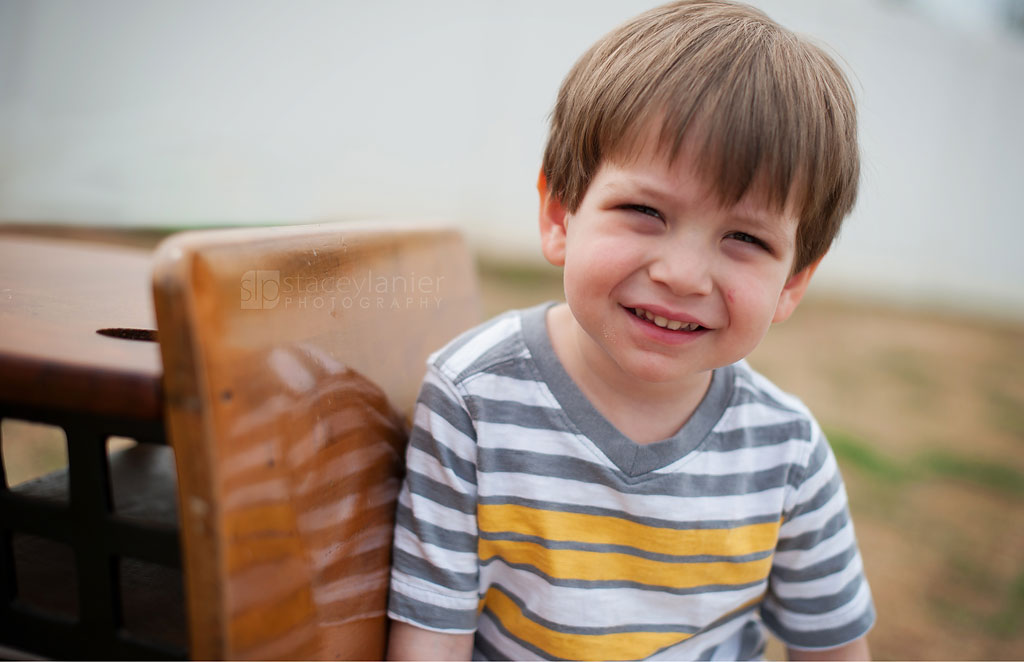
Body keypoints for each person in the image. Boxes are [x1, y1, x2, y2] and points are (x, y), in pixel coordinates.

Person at [386, 1, 875, 659]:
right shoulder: (473, 402)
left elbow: (835, 651)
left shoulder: (787, 454)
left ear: (792, 283)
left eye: (744, 238)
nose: (682, 275)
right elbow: (429, 645)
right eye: (644, 210)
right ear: (561, 215)